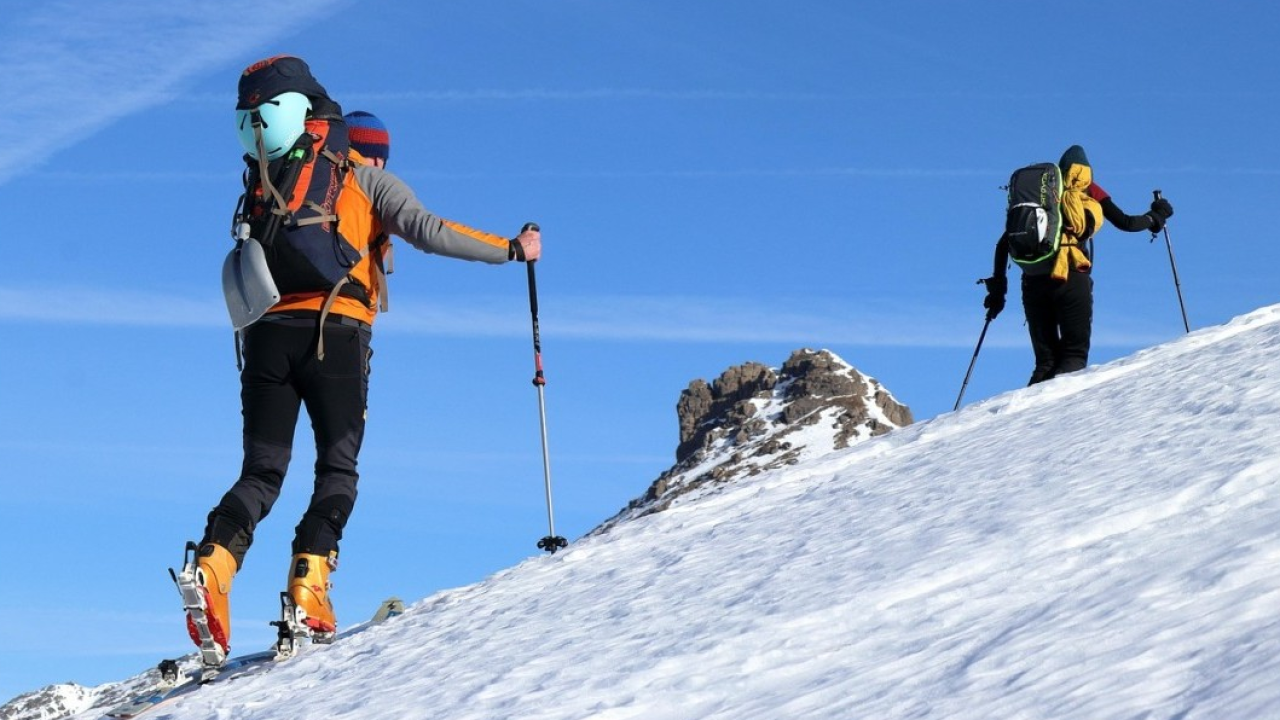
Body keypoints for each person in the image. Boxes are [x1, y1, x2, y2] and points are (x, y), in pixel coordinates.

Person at [191, 57, 541, 657]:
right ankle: (308, 587)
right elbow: (430, 229)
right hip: (337, 337)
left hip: (266, 336)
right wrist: (512, 248)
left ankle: (214, 568)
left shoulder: (273, 175)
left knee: (261, 472)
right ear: (374, 150)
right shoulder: (366, 179)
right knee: (337, 470)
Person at [982, 145, 1173, 385]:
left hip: (1033, 281)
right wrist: (1156, 217)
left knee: (1045, 362)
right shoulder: (1089, 188)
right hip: (1072, 278)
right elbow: (1126, 222)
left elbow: (1003, 243)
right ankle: (1060, 420)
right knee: (1073, 355)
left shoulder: (1045, 195)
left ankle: (1026, 416)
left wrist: (999, 290)